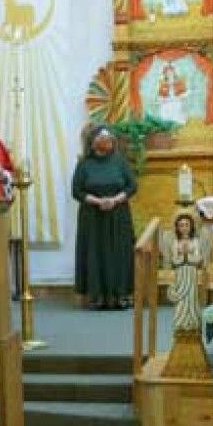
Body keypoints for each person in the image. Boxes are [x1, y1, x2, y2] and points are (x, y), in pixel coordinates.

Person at [73, 124, 137, 310]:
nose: (105, 141)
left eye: (108, 138)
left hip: (118, 215)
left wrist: (115, 200)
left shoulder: (120, 161)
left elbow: (131, 186)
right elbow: (77, 191)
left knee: (120, 253)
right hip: (92, 217)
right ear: (92, 142)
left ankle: (121, 295)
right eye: (101, 138)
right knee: (95, 253)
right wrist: (97, 201)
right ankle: (96, 296)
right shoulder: (84, 164)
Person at [164, 211, 205, 331]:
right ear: (177, 227)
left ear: (191, 226)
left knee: (191, 296)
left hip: (191, 272)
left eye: (186, 224)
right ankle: (180, 321)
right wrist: (184, 257)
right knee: (182, 298)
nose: (184, 227)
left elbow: (198, 259)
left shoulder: (195, 241)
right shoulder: (176, 242)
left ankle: (193, 321)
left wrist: (187, 256)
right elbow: (174, 261)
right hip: (180, 273)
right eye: (181, 225)